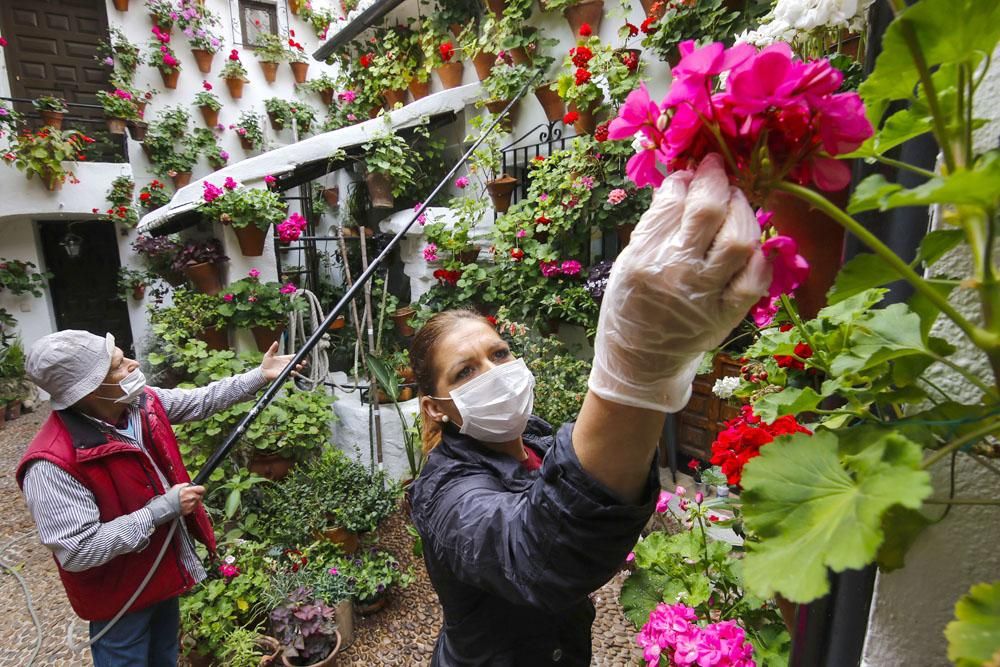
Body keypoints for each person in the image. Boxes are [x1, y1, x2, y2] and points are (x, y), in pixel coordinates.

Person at [409, 155, 771, 665]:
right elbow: (534, 553)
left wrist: (659, 370)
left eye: (499, 354)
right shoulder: (444, 493)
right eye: (465, 372)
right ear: (436, 407)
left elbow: (596, 483)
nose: (494, 374)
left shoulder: (535, 439)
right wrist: (634, 372)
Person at [15, 331, 300, 667]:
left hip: (161, 572)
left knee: (165, 657)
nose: (134, 365)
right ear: (88, 387)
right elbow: (78, 549)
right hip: (119, 599)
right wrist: (159, 511)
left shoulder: (139, 405)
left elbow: (201, 400)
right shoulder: (51, 463)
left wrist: (260, 375)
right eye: (119, 366)